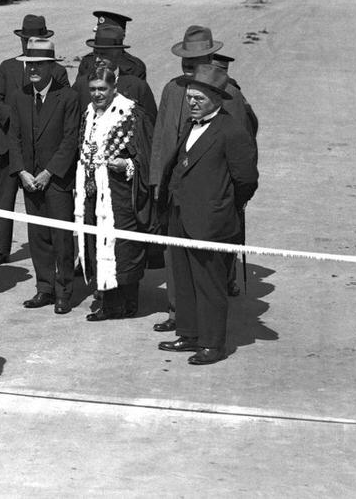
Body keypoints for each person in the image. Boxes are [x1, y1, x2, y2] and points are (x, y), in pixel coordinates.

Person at [155, 64, 258, 366]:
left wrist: (222, 206)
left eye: (199, 98)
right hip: (180, 215)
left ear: (217, 98)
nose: (193, 103)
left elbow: (246, 180)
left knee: (209, 284)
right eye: (190, 98)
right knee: (184, 278)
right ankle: (188, 334)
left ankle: (212, 344)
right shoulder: (190, 124)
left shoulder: (232, 131)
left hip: (211, 222)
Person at [0, 14, 69, 267]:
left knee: (44, 200)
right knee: (5, 198)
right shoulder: (7, 66)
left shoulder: (58, 70)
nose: (28, 44)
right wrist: (15, 120)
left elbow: (62, 105)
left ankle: (52, 248)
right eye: (25, 39)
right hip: (9, 143)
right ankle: (1, 249)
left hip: (42, 147)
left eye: (34, 39)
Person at [6, 36, 81, 314]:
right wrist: (22, 172)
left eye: (38, 64)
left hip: (57, 180)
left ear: (51, 66)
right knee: (37, 236)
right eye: (29, 65)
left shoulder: (68, 97)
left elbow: (70, 139)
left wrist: (49, 172)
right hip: (29, 180)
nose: (33, 69)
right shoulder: (19, 96)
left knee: (61, 237)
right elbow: (13, 137)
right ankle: (45, 288)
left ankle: (64, 291)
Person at [75, 60, 151, 321]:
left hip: (120, 194)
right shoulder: (89, 113)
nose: (97, 94)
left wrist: (128, 163)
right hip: (93, 192)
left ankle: (126, 304)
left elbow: (146, 157)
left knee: (123, 248)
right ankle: (109, 302)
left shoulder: (130, 114)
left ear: (114, 87)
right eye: (93, 89)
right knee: (98, 245)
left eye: (103, 89)